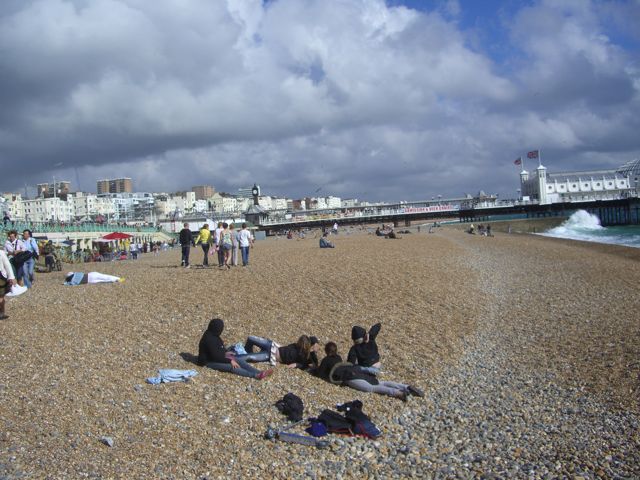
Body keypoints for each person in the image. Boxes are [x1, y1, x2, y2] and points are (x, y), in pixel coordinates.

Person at [315, 342, 423, 401]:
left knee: (371, 388)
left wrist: (312, 369)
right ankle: (406, 387)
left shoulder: (325, 360)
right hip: (355, 369)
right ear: (336, 350)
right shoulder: (338, 357)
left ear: (326, 351)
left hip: (349, 376)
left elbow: (320, 374)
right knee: (380, 382)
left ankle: (397, 393)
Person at [197, 318, 273, 380]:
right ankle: (255, 375)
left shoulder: (213, 334)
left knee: (238, 360)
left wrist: (227, 353)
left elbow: (219, 349)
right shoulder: (209, 339)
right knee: (232, 366)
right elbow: (216, 356)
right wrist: (230, 360)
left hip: (215, 357)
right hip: (208, 362)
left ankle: (259, 372)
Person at [236, 334, 320, 369]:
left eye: (302, 343)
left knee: (247, 357)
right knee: (251, 338)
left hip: (270, 356)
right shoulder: (295, 345)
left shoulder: (304, 355)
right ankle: (247, 350)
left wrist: (296, 364)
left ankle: (230, 358)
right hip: (271, 345)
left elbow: (309, 364)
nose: (300, 343)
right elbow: (312, 338)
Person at [0, 248, 17, 320]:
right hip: (1, 277)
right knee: (1, 296)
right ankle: (2, 313)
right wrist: (11, 277)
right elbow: (7, 264)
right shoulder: (1, 252)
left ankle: (2, 313)